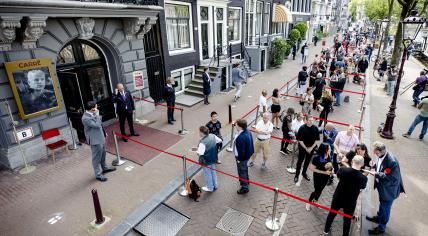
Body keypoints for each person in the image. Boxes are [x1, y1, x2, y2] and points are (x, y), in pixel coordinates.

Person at [365, 141, 405, 235]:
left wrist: (377, 174)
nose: (374, 153)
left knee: (386, 208)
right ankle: (379, 218)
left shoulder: (392, 162)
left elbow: (393, 178)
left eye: (376, 152)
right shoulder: (382, 155)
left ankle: (381, 227)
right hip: (382, 187)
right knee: (382, 205)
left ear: (380, 151)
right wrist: (373, 165)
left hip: (389, 191)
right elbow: (380, 165)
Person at [323, 155, 368, 236]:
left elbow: (338, 176)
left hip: (338, 197)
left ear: (352, 161)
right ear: (362, 164)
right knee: (347, 220)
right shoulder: (363, 178)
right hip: (350, 201)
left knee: (332, 214)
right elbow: (362, 187)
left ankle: (326, 230)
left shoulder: (343, 170)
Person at [82, 101, 116, 182]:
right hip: (95, 140)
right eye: (96, 107)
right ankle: (98, 174)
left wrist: (104, 133)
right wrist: (97, 115)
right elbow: (97, 125)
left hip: (101, 137)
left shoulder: (92, 113)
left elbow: (100, 125)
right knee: (96, 158)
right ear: (92, 108)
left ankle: (104, 168)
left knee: (103, 154)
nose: (97, 108)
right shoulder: (85, 118)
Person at [306, 143, 333, 211]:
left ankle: (315, 201)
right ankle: (308, 202)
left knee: (320, 190)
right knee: (317, 190)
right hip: (318, 177)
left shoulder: (328, 155)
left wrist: (332, 169)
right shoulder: (316, 157)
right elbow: (312, 168)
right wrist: (324, 172)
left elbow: (329, 165)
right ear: (325, 150)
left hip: (326, 177)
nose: (331, 149)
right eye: (329, 148)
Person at [196, 126, 221, 192]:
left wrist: (198, 146)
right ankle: (215, 185)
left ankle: (210, 187)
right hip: (213, 157)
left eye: (199, 131)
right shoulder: (212, 136)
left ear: (202, 133)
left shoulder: (202, 142)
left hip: (206, 160)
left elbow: (199, 153)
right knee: (213, 171)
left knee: (207, 173)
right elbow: (220, 140)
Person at [295, 116, 320, 183]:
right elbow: (300, 140)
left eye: (312, 120)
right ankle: (297, 174)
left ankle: (304, 173)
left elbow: (317, 140)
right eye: (309, 120)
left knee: (307, 161)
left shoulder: (315, 128)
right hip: (303, 148)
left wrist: (311, 148)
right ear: (306, 121)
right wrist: (306, 148)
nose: (311, 121)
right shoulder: (302, 128)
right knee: (300, 161)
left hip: (311, 148)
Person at [233, 119, 254, 194]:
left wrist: (239, 159)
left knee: (241, 171)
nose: (235, 125)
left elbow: (241, 151)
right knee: (245, 169)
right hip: (247, 155)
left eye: (236, 124)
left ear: (240, 127)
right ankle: (246, 180)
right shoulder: (247, 131)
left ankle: (244, 187)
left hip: (242, 158)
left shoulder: (241, 137)